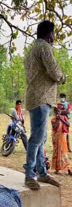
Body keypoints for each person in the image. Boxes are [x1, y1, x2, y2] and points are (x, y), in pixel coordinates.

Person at [24, 20, 65, 190]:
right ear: (49, 34)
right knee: (37, 138)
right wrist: (63, 78)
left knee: (40, 138)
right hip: (42, 98)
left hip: (34, 97)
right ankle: (29, 175)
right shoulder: (45, 48)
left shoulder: (31, 50)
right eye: (54, 33)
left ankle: (41, 173)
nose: (54, 37)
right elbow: (54, 71)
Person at [51, 107, 72, 175]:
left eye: (59, 111)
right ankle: (57, 169)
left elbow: (68, 124)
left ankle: (68, 168)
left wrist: (61, 119)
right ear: (54, 112)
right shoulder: (53, 119)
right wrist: (57, 119)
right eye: (56, 112)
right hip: (56, 138)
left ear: (60, 112)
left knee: (64, 153)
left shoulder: (64, 118)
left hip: (62, 137)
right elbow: (54, 127)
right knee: (57, 153)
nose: (57, 113)